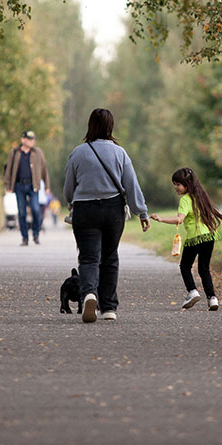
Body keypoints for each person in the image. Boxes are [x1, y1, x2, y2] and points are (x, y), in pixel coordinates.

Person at [63, 108, 150, 323]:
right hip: (113, 210)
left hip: (85, 210)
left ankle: (89, 294)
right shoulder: (120, 153)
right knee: (109, 258)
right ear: (110, 126)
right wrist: (142, 212)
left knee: (89, 257)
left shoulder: (78, 152)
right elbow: (131, 185)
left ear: (90, 125)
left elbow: (68, 187)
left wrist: (70, 202)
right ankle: (109, 308)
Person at [150, 167, 222, 310]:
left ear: (187, 184)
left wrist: (161, 219)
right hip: (209, 237)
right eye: (174, 184)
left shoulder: (185, 200)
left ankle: (192, 291)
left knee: (185, 266)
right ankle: (212, 298)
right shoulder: (201, 196)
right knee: (204, 269)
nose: (175, 187)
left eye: (178, 184)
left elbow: (179, 219)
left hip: (194, 238)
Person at [4, 130, 49, 246]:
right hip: (19, 185)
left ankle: (36, 234)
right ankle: (24, 237)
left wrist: (47, 186)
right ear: (23, 139)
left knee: (35, 209)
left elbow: (44, 170)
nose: (31, 141)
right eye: (29, 139)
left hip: (33, 185)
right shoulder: (14, 152)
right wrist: (8, 185)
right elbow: (8, 169)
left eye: (33, 139)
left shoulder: (38, 152)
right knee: (22, 212)